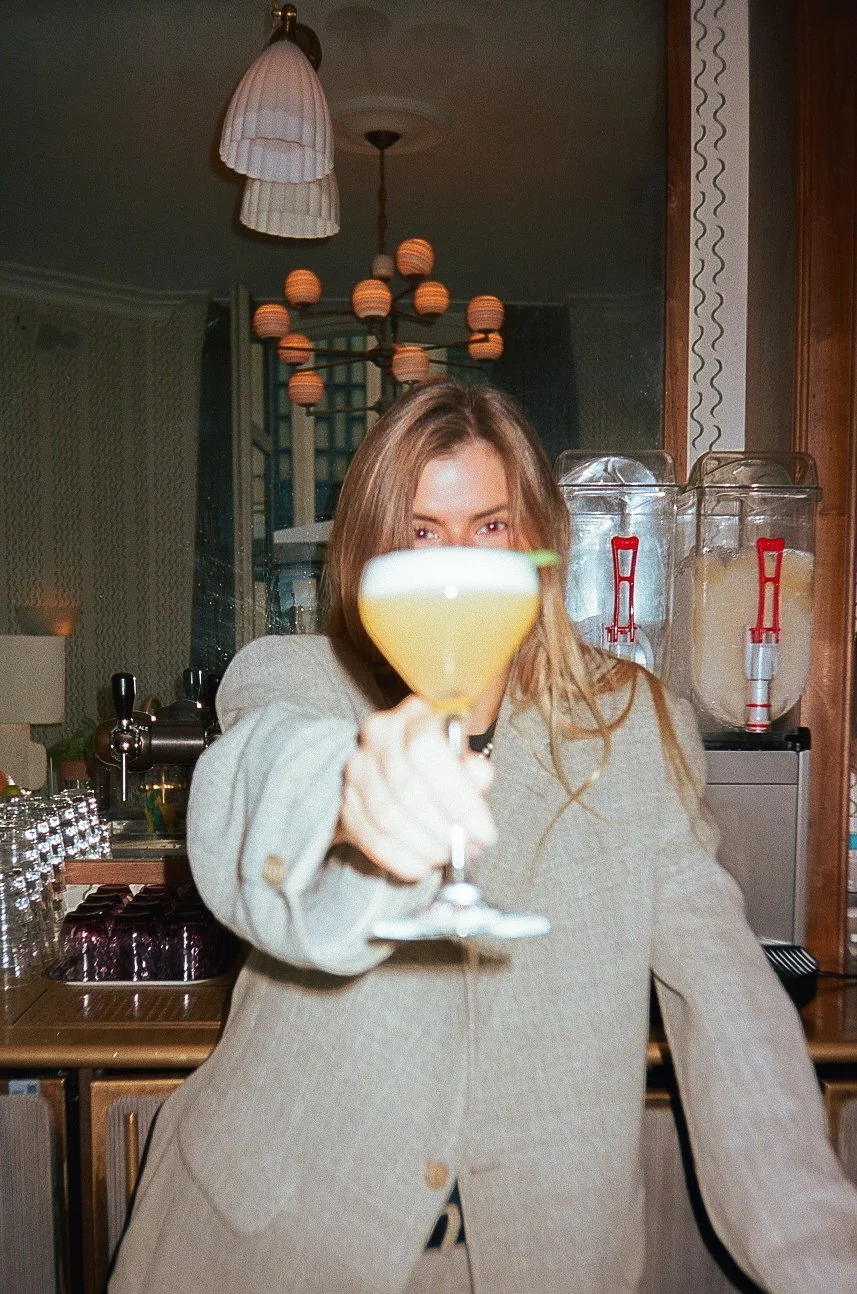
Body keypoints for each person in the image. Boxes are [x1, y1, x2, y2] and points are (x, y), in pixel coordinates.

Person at [109, 379, 857, 1294]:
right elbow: (260, 782)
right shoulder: (296, 678)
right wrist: (353, 793)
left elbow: (730, 1011)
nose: (453, 563)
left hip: (538, 1261)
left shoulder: (630, 729)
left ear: (540, 543)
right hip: (274, 1248)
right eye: (420, 532)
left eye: (490, 526)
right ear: (370, 553)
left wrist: (821, 1262)